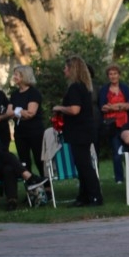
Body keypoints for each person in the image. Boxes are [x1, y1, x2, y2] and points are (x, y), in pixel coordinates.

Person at [53, 55, 104, 207]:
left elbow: (75, 110)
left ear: (72, 69)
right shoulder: (84, 86)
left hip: (80, 131)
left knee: (84, 165)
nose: (64, 70)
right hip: (84, 130)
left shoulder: (75, 87)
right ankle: (84, 196)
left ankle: (95, 196)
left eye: (66, 68)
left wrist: (60, 108)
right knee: (82, 164)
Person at [0, 118, 48, 211]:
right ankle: (30, 177)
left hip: (2, 173)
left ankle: (12, 202)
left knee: (8, 168)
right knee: (3, 155)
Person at [97, 63, 129, 184]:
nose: (113, 76)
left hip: (125, 124)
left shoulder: (125, 88)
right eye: (110, 74)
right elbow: (103, 107)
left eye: (115, 73)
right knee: (116, 152)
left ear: (119, 75)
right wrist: (121, 106)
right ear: (108, 76)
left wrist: (112, 106)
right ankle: (119, 178)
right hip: (112, 125)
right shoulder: (104, 90)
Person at [8, 65, 45, 178]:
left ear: (24, 76)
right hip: (20, 132)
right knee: (24, 161)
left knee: (39, 159)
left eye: (17, 75)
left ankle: (47, 185)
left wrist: (18, 112)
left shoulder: (34, 93)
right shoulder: (14, 94)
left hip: (35, 132)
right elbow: (9, 113)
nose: (14, 77)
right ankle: (30, 185)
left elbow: (31, 113)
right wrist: (20, 112)